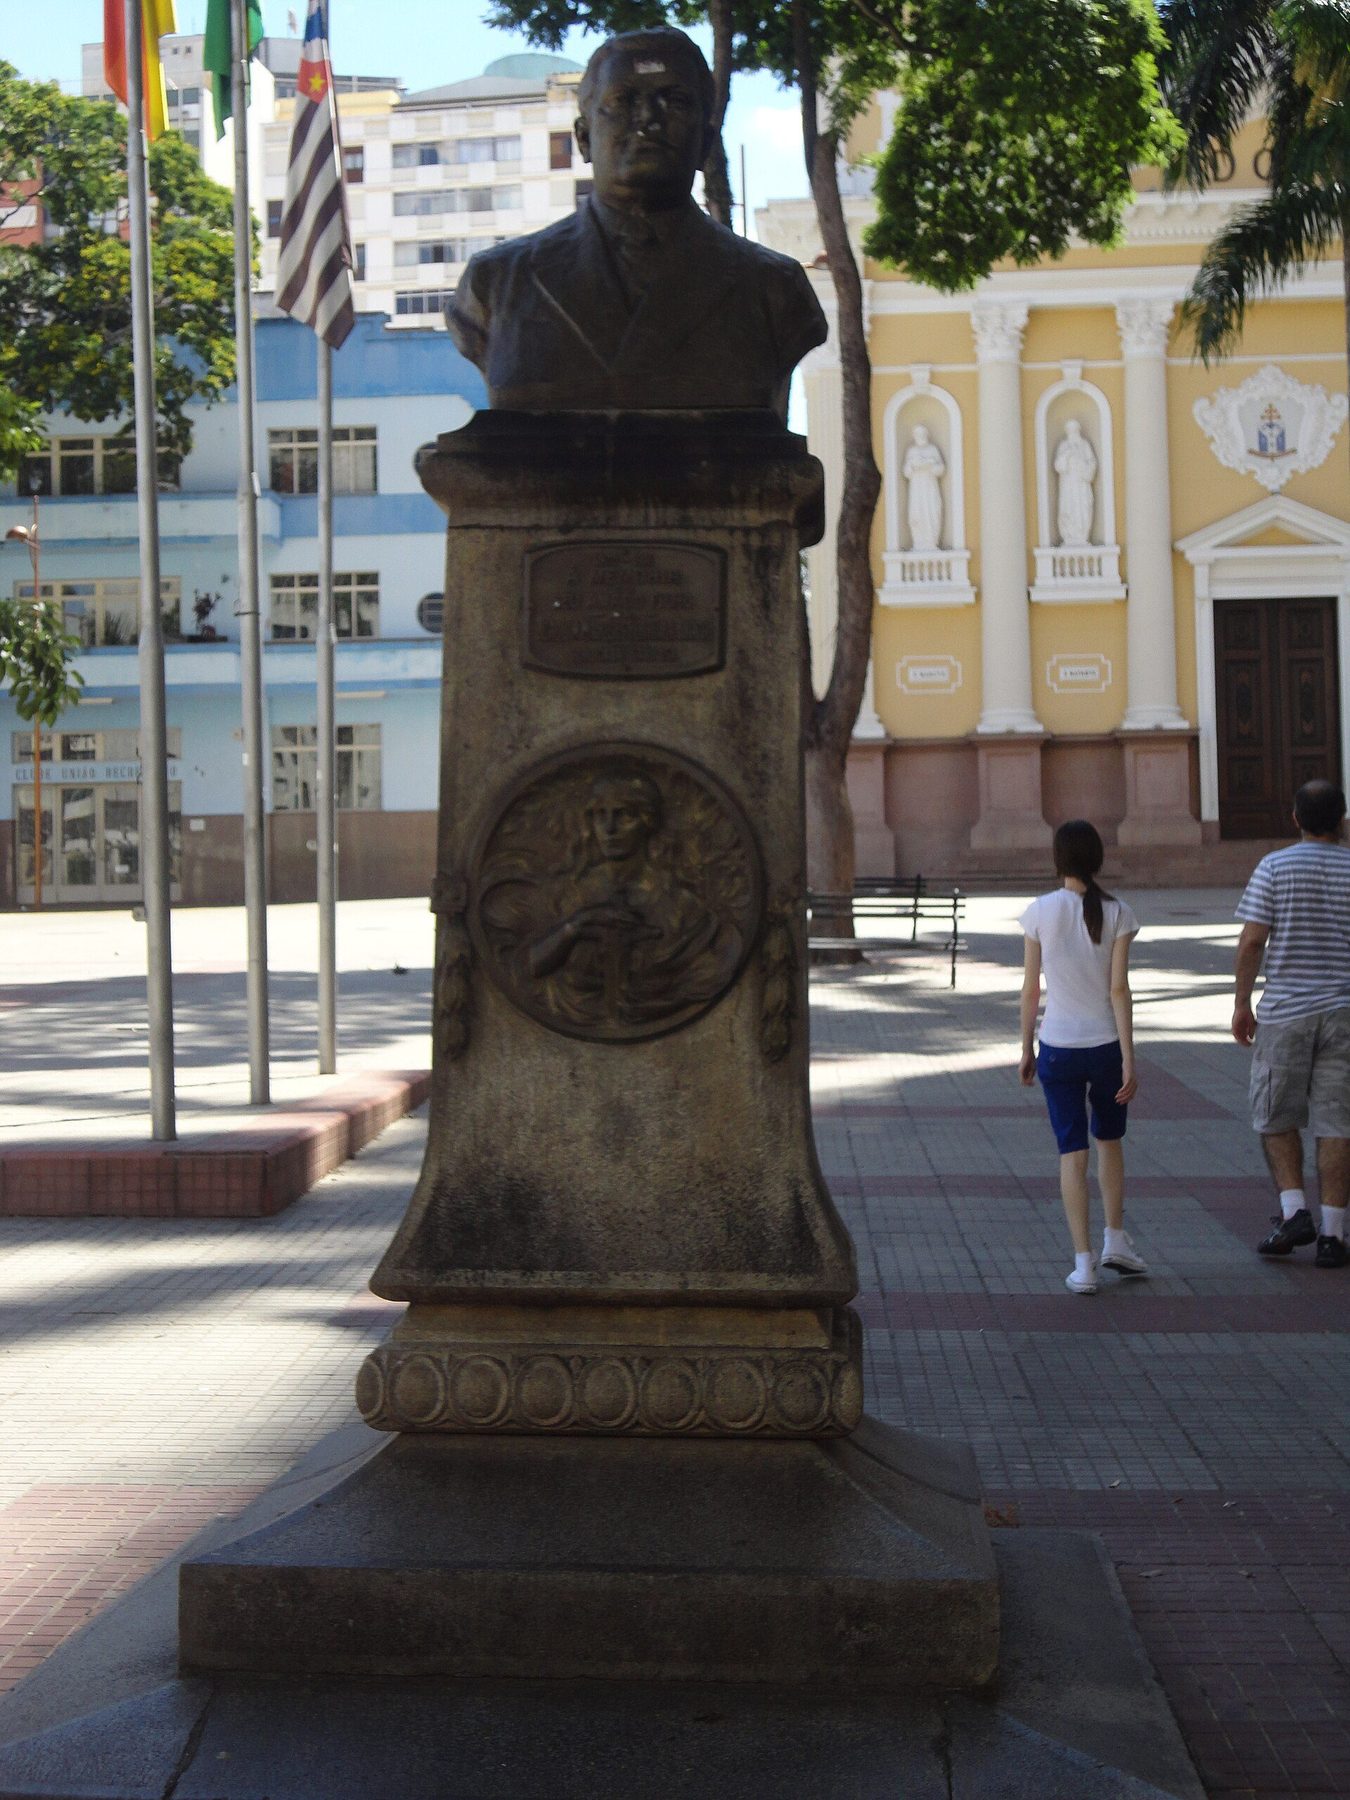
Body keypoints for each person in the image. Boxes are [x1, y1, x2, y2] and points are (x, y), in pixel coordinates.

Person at [444, 28, 827, 415]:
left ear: (706, 142)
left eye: (674, 102)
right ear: (583, 138)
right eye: (623, 101)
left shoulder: (774, 288)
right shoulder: (496, 282)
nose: (648, 120)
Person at [1019, 820, 1145, 1294]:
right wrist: (1130, 1059)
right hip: (1105, 1048)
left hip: (1057, 1048)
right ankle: (1116, 1239)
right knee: (1110, 1142)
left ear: (1058, 859)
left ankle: (1083, 1264)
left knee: (1072, 1152)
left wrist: (1026, 1047)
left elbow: (1031, 990)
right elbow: (1119, 991)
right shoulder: (1119, 913)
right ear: (1098, 859)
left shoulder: (1039, 912)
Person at [1232, 779, 1350, 1268]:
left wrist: (1242, 1001)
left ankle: (1293, 1212)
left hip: (1286, 1014)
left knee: (1276, 1115)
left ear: (1295, 818)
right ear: (1343, 821)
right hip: (1346, 1012)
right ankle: (1333, 1236)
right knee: (1338, 1121)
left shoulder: (1274, 867)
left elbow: (1252, 940)